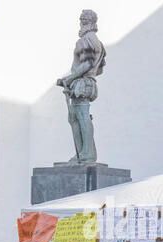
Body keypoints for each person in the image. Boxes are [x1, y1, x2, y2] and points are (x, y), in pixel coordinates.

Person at [57, 9, 106, 163]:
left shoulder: (84, 40)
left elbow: (87, 63)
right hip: (89, 82)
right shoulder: (98, 42)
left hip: (82, 83)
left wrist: (70, 78)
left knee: (81, 118)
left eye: (81, 20)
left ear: (85, 22)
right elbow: (99, 68)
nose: (80, 22)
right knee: (79, 118)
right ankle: (85, 152)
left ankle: (86, 153)